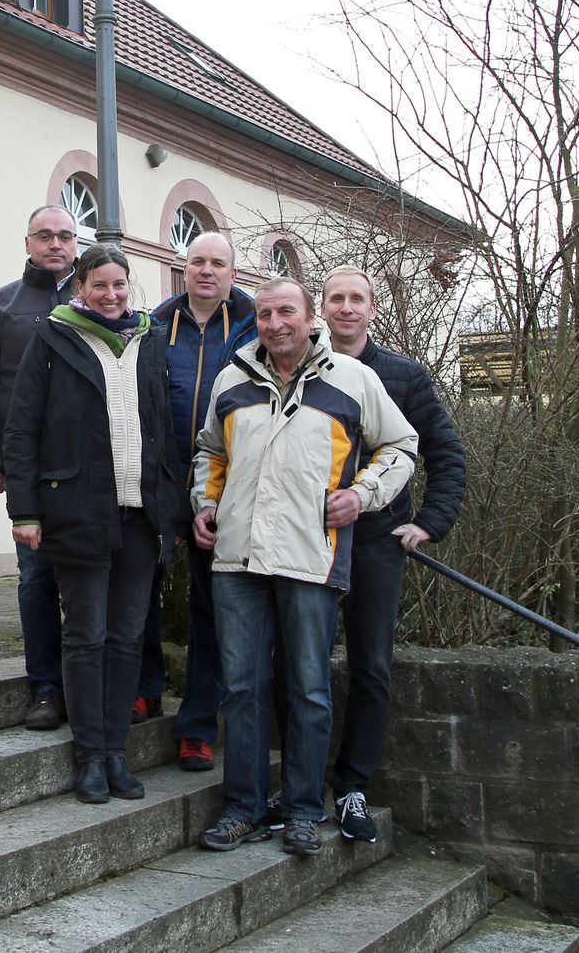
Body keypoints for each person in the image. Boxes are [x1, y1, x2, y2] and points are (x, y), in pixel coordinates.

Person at [192, 277, 417, 857]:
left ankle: (301, 809)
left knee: (310, 689)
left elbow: (402, 447)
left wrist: (362, 496)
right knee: (241, 688)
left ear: (310, 316)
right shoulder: (232, 377)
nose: (275, 323)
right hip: (237, 557)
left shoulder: (354, 379)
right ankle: (242, 807)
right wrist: (206, 501)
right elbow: (211, 451)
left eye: (286, 311)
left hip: (311, 555)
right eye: (265, 313)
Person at [3, 244, 185, 803]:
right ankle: (88, 760)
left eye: (120, 286)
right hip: (77, 510)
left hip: (139, 513)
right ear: (80, 287)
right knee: (85, 636)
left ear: (131, 288)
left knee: (128, 637)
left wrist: (172, 507)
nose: (110, 295)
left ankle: (115, 756)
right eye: (99, 285)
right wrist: (25, 511)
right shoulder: (54, 338)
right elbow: (22, 428)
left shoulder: (148, 341)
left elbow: (164, 425)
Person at [317, 265, 466, 844]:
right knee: (300, 661)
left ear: (373, 309)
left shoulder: (404, 377)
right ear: (322, 309)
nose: (347, 308)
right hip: (311, 539)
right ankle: (301, 779)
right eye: (337, 298)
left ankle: (353, 784)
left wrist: (430, 524)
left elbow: (446, 455)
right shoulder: (302, 370)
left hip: (379, 539)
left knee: (371, 665)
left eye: (358, 299)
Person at [0, 205, 78, 728]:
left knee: (87, 579)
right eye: (45, 236)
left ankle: (87, 684)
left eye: (65, 236)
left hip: (85, 470)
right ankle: (46, 690)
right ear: (27, 243)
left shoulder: (95, 299)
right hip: (25, 470)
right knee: (35, 578)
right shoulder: (1, 307)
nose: (56, 244)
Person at [147, 231, 256, 772]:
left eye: (218, 263)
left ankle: (197, 727)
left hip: (226, 487)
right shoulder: (154, 328)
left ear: (234, 274)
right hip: (162, 483)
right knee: (140, 587)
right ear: (182, 268)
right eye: (197, 261)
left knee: (210, 608)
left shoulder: (258, 329)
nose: (206, 270)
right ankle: (144, 689)